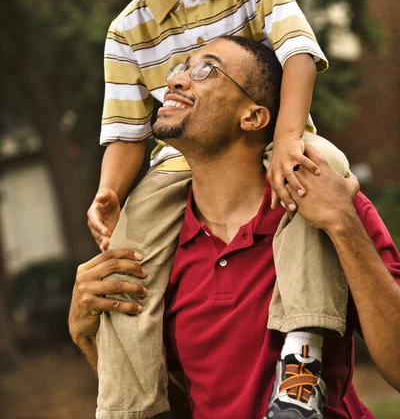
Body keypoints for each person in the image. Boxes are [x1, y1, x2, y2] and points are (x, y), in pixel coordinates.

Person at [83, 0, 351, 418]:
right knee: (125, 261)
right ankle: (130, 407)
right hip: (182, 168)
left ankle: (301, 365)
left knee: (316, 171)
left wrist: (286, 140)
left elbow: (298, 53)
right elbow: (127, 130)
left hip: (272, 138)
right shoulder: (127, 30)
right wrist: (109, 191)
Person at [69, 36, 400, 419]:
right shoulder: (156, 250)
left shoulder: (332, 203)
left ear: (253, 117)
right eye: (180, 69)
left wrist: (344, 224)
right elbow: (179, 410)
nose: (177, 80)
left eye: (206, 69)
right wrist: (85, 337)